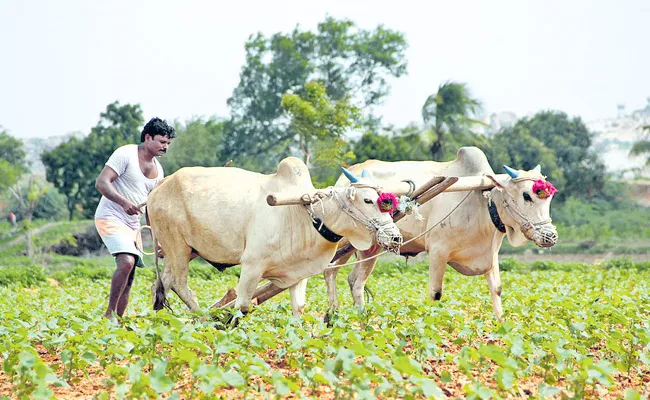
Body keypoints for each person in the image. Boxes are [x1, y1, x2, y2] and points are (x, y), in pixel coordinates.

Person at [94, 117, 175, 320]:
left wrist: (156, 236)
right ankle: (109, 315)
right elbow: (102, 183)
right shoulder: (125, 154)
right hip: (110, 216)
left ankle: (117, 321)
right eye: (161, 142)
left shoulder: (159, 171)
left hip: (132, 225)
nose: (165, 147)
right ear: (148, 137)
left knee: (129, 276)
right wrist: (124, 203)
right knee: (127, 262)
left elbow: (150, 207)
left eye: (168, 144)